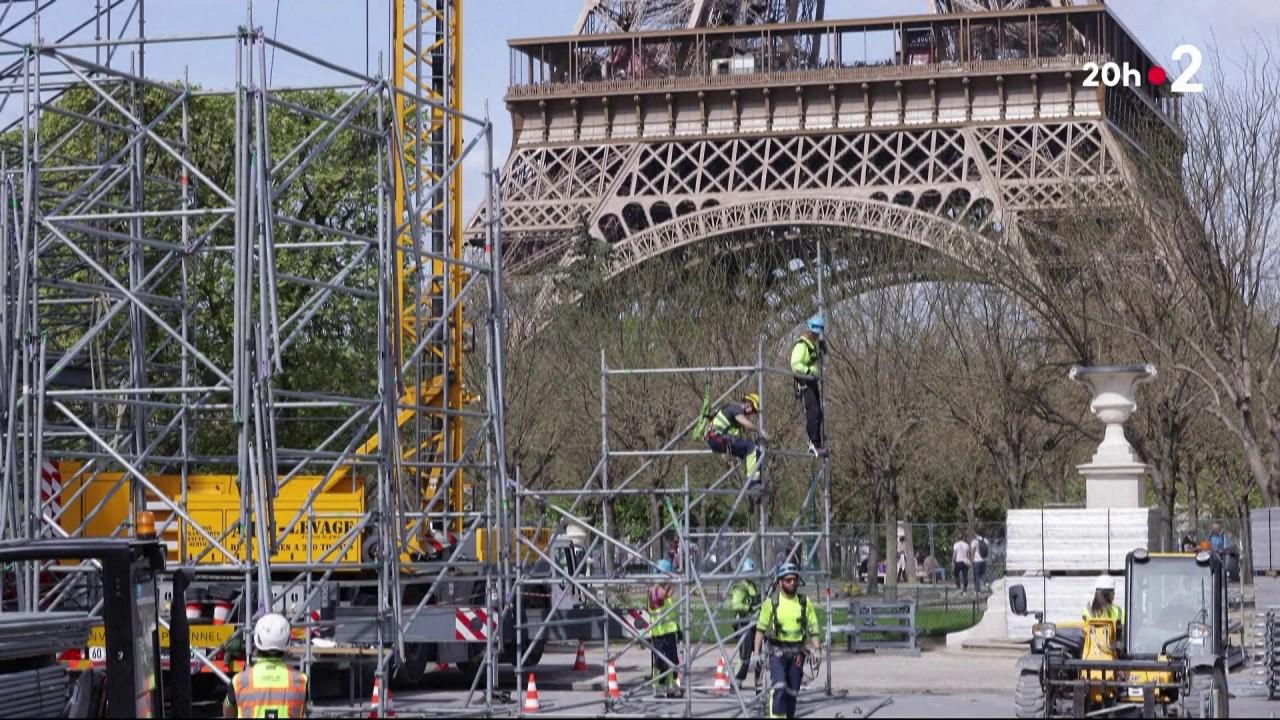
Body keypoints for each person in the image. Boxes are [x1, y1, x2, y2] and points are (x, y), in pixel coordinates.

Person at [751, 563, 820, 719]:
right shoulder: (771, 604)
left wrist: (817, 650)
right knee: (780, 687)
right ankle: (775, 714)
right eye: (788, 580)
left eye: (794, 580)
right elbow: (760, 630)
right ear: (780, 582)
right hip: (778, 653)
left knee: (792, 691)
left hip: (797, 653)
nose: (792, 583)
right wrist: (756, 653)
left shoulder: (804, 602)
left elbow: (813, 628)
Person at [223, 613, 308, 718]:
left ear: (256, 639)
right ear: (287, 641)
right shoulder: (301, 681)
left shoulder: (239, 681)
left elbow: (228, 712)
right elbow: (301, 711)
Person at [705, 392, 769, 482]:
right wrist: (760, 431)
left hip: (716, 439)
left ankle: (756, 480)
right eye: (753, 409)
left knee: (751, 455)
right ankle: (753, 482)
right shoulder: (736, 409)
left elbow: (736, 434)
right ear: (747, 404)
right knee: (751, 448)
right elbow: (746, 424)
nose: (752, 413)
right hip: (717, 438)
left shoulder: (733, 416)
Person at [790, 314, 828, 458]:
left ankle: (817, 443)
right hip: (805, 382)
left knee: (818, 413)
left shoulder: (812, 345)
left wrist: (822, 349)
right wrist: (808, 371)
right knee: (813, 413)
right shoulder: (801, 346)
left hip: (811, 382)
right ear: (811, 332)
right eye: (817, 334)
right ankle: (813, 444)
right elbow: (795, 364)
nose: (818, 336)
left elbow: (815, 358)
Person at [647, 559, 682, 698]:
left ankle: (671, 685)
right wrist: (674, 580)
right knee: (661, 660)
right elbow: (662, 596)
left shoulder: (663, 588)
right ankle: (658, 685)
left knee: (672, 660)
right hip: (659, 633)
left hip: (669, 631)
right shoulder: (654, 590)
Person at [728, 557, 762, 685]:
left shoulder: (751, 585)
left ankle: (759, 682)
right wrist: (750, 608)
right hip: (744, 622)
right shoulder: (740, 587)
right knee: (745, 653)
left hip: (755, 622)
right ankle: (737, 680)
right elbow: (736, 605)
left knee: (759, 653)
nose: (750, 575)